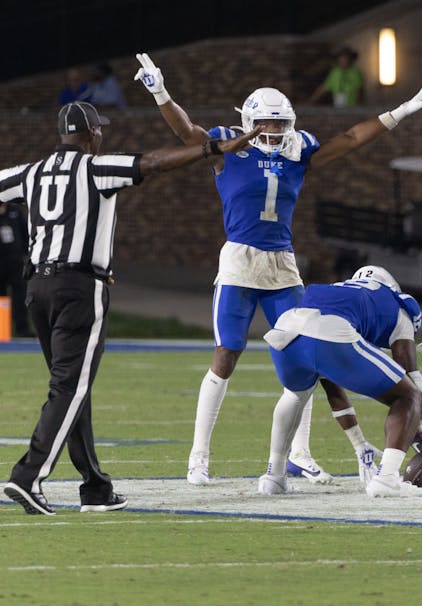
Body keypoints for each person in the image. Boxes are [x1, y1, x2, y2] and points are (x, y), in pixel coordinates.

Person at [133, 52, 422, 486]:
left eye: (281, 124)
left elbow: (351, 138)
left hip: (283, 266)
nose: (275, 132)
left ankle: (300, 454)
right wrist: (160, 92)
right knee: (226, 355)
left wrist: (401, 110)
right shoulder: (227, 146)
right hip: (240, 260)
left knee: (306, 357)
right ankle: (198, 456)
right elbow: (187, 133)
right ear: (251, 121)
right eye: (268, 124)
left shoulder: (300, 151)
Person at [0, 101, 259, 515]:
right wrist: (210, 150)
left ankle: (95, 487)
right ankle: (27, 477)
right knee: (70, 387)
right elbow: (153, 163)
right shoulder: (94, 167)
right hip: (79, 286)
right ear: (90, 135)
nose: (101, 136)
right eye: (98, 131)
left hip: (36, 288)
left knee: (71, 388)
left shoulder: (31, 173)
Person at [258, 265, 422, 497]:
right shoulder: (396, 303)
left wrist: (359, 444)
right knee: (408, 395)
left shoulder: (341, 290)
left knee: (294, 395)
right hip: (329, 331)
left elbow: (331, 384)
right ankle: (387, 479)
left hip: (286, 328)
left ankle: (274, 477)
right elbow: (411, 376)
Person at [0, 201, 31, 337]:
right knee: (1, 298)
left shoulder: (15, 212)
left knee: (20, 296)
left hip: (16, 262)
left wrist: (26, 255)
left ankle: (22, 330)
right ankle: (2, 331)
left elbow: (26, 235)